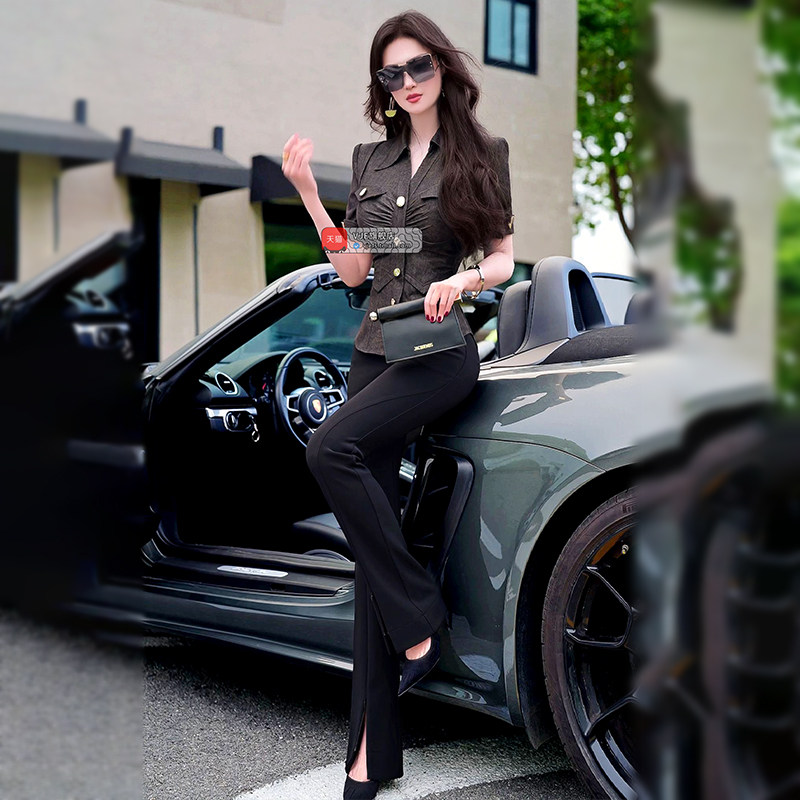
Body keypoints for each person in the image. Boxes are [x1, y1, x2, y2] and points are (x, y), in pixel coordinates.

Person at [281, 11, 515, 799]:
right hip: (374, 354)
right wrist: (310, 197)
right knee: (370, 560)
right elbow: (356, 271)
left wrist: (464, 278)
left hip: (440, 354)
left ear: (442, 69)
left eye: (419, 67)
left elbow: (503, 259)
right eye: (392, 73)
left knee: (329, 448)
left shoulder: (481, 154)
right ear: (380, 86)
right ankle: (368, 757)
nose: (408, 83)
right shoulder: (371, 161)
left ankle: (421, 615)